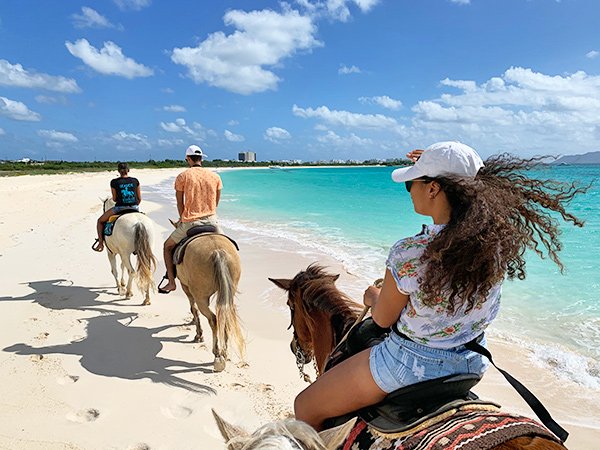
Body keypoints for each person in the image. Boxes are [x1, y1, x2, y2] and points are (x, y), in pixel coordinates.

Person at [293, 141, 588, 431]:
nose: (409, 192)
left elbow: (382, 319)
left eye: (412, 184)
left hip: (409, 365)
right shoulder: (494, 247)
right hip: (471, 361)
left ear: (433, 188)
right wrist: (436, 164)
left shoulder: (409, 252)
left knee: (305, 406)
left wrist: (374, 297)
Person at [158, 144, 223, 294]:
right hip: (213, 221)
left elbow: (180, 202)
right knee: (230, 247)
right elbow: (216, 203)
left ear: (188, 159)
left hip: (190, 222)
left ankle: (172, 282)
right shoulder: (215, 177)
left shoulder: (183, 176)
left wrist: (182, 219)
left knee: (167, 247)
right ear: (201, 158)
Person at [92, 162, 141, 252]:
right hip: (134, 207)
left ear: (118, 171)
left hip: (120, 208)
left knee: (100, 221)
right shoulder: (135, 181)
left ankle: (100, 243)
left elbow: (114, 199)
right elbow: (139, 199)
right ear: (128, 170)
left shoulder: (114, 182)